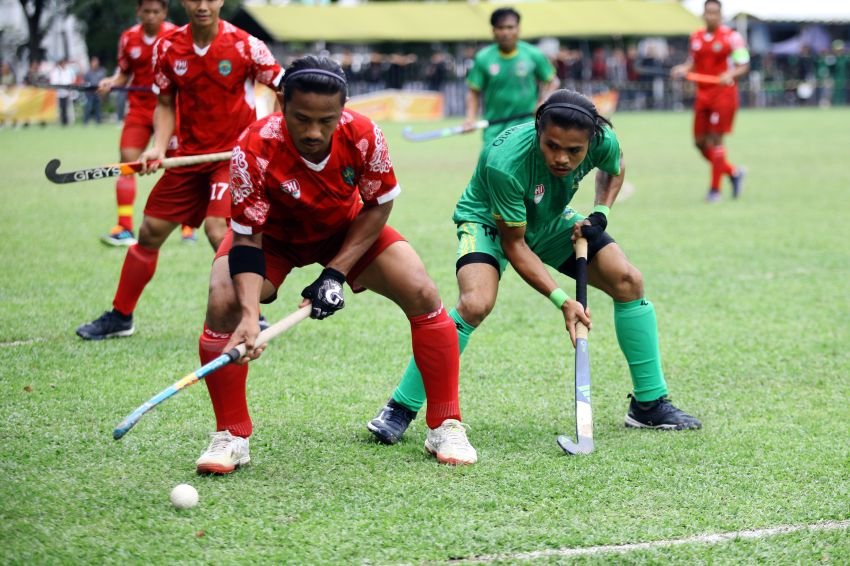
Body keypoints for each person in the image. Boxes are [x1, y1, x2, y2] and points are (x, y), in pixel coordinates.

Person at [367, 89, 702, 445]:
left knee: (628, 280)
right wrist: (562, 300)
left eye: (574, 151)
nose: (562, 158)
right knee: (475, 303)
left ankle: (649, 404)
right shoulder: (505, 162)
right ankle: (401, 406)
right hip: (488, 221)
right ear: (538, 130)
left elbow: (614, 166)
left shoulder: (603, 139)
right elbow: (515, 244)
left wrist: (600, 213)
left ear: (590, 140)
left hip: (548, 219)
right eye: (552, 146)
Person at [193, 56, 477, 474]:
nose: (313, 132)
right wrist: (250, 316)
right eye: (301, 119)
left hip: (345, 230)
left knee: (422, 291)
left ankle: (445, 425)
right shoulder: (253, 146)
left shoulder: (364, 135)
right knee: (223, 300)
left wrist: (335, 273)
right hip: (272, 237)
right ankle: (230, 436)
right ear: (282, 104)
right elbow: (248, 238)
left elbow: (378, 205)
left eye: (326, 120)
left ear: (343, 110)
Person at [76, 0, 283, 341]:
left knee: (219, 230)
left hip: (232, 158)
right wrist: (158, 147)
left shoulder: (247, 45)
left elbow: (282, 85)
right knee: (149, 232)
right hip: (188, 157)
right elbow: (164, 103)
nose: (202, 5)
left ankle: (253, 314)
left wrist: (272, 134)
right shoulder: (168, 47)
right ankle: (121, 316)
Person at [97, 0, 181, 246]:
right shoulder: (128, 38)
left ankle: (189, 226)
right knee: (127, 162)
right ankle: (124, 227)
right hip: (139, 110)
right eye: (146, 11)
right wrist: (111, 82)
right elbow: (123, 74)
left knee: (180, 166)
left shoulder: (176, 36)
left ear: (164, 12)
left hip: (170, 110)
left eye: (156, 11)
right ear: (138, 12)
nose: (151, 16)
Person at [671, 0, 749, 202]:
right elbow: (692, 63)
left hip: (723, 94)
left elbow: (743, 65)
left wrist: (730, 74)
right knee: (699, 143)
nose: (711, 16)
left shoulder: (732, 37)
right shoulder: (696, 37)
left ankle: (715, 191)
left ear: (721, 15)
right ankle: (733, 173)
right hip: (703, 95)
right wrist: (682, 69)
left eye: (715, 13)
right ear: (703, 14)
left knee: (715, 140)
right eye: (708, 12)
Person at [463, 7, 558, 146]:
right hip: (494, 128)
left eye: (510, 27)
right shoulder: (483, 58)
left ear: (518, 29)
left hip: (526, 126)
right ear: (493, 31)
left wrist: (543, 101)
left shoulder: (533, 54)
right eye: (500, 28)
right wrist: (470, 118)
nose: (505, 32)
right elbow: (473, 92)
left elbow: (552, 82)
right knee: (491, 160)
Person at [48, 59, 76, 126]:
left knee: (67, 107)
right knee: (60, 108)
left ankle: (67, 121)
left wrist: (70, 87)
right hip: (59, 92)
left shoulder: (69, 70)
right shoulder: (56, 71)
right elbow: (54, 82)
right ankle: (61, 121)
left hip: (67, 92)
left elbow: (72, 79)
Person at [82, 56, 106, 124]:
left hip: (98, 92)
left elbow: (103, 81)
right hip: (90, 93)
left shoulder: (101, 71)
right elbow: (84, 82)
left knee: (98, 109)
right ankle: (85, 122)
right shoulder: (88, 72)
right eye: (94, 62)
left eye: (96, 62)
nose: (95, 63)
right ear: (91, 63)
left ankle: (98, 122)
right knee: (88, 107)